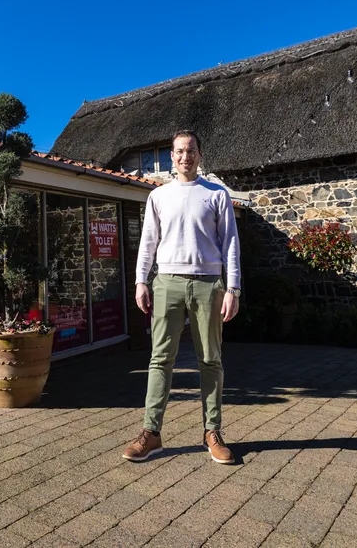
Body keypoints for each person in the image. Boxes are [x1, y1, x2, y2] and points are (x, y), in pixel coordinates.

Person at [122, 129, 241, 464]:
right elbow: (148, 242)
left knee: (211, 360)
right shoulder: (158, 197)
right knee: (160, 359)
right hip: (167, 283)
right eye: (178, 151)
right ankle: (151, 433)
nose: (184, 157)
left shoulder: (217, 195)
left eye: (190, 151)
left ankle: (212, 432)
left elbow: (231, 245)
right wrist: (140, 281)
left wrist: (233, 288)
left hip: (208, 285)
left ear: (199, 155)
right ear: (172, 156)